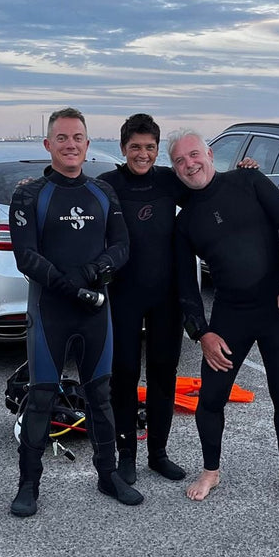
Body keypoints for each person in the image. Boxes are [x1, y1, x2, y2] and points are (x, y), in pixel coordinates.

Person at [8, 108, 142, 517]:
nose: (70, 145)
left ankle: (108, 474)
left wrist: (89, 274)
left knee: (100, 395)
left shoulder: (102, 192)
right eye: (62, 138)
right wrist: (71, 288)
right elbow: (26, 256)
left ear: (87, 143)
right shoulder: (30, 194)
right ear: (48, 144)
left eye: (77, 137)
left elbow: (121, 246)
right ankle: (28, 485)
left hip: (94, 312)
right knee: (41, 397)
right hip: (51, 311)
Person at [170, 130, 279, 503]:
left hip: (278, 306)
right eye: (180, 161)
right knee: (211, 397)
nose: (189, 164)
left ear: (209, 154)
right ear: (175, 170)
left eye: (194, 155)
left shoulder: (249, 180)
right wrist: (201, 333)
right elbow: (186, 285)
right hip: (231, 314)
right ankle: (210, 472)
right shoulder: (185, 222)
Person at [96, 114, 188, 484]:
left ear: (157, 148)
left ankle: (158, 454)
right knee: (124, 374)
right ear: (123, 148)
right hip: (124, 295)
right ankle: (127, 455)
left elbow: (210, 188)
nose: (143, 154)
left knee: (164, 374)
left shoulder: (168, 180)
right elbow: (71, 196)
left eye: (150, 147)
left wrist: (245, 173)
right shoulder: (108, 184)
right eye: (135, 146)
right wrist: (34, 185)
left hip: (166, 296)